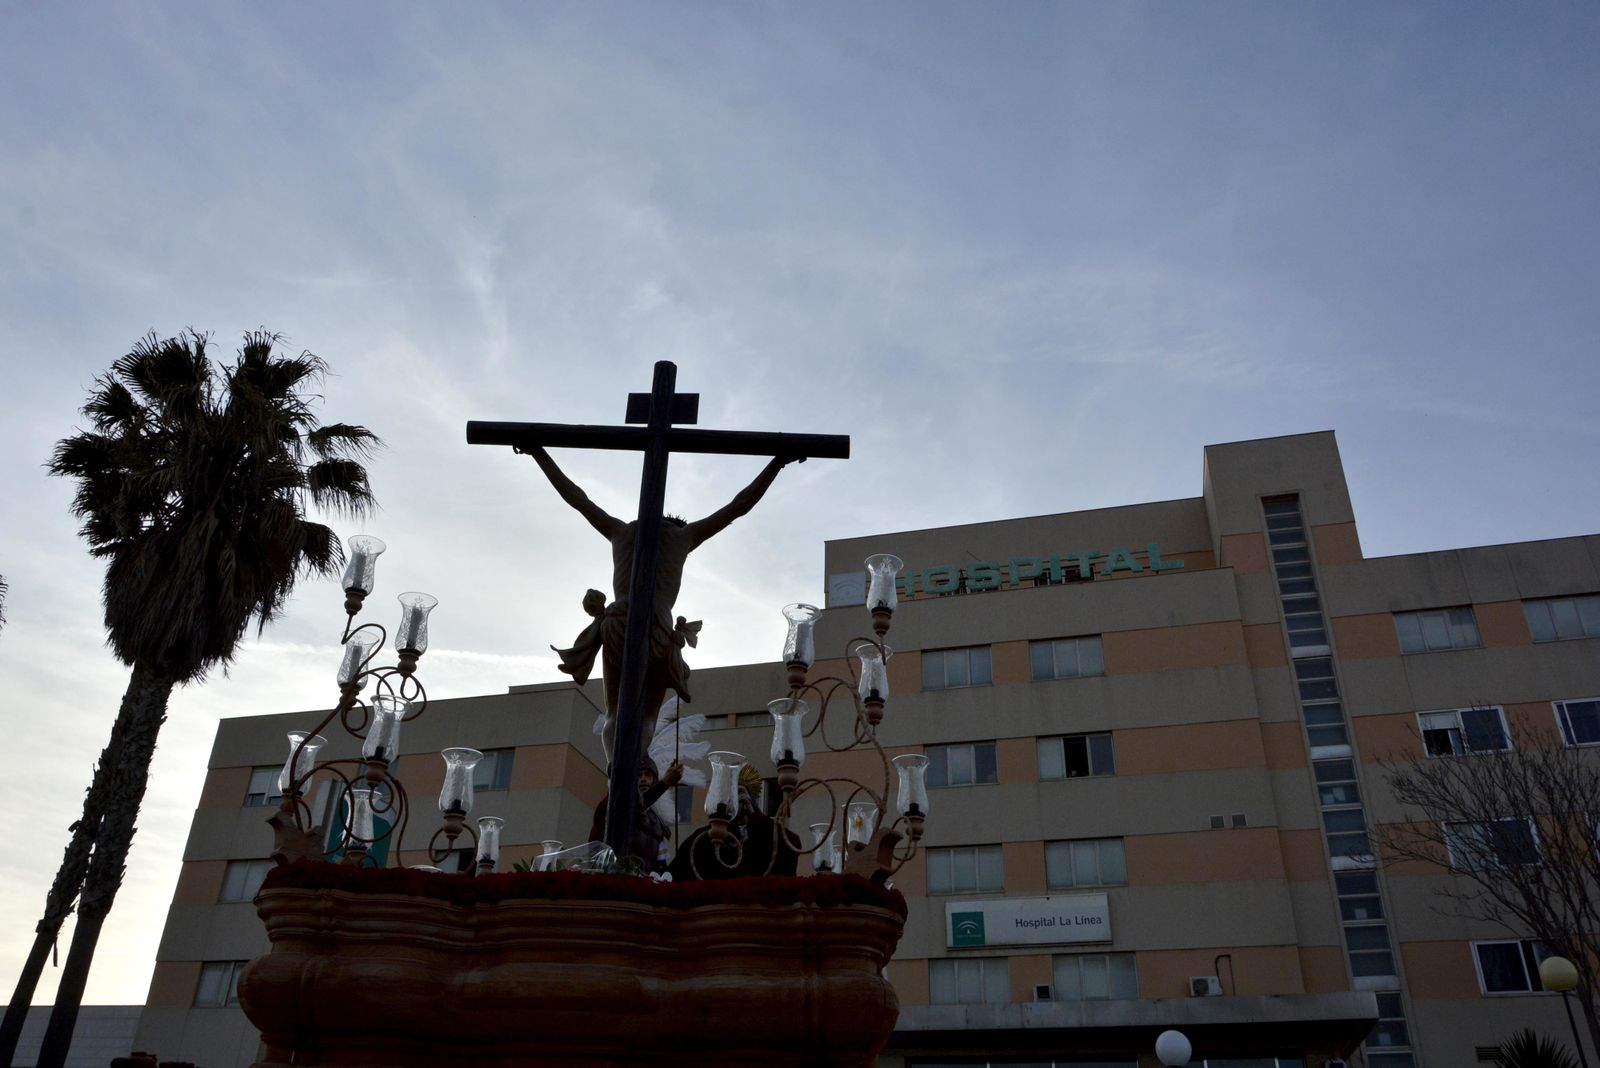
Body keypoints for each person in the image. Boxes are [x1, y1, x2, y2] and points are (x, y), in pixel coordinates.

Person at [522, 444, 795, 765]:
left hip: (617, 624)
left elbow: (576, 498)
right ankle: (633, 768)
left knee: (615, 712)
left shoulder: (621, 531)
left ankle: (616, 772)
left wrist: (538, 453)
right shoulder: (683, 537)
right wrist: (777, 463)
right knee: (646, 715)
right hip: (658, 630)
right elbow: (739, 506)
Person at [669, 767, 801, 881]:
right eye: (731, 795)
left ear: (750, 799)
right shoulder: (707, 835)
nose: (737, 799)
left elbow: (790, 845)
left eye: (741, 792)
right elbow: (682, 865)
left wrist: (756, 817)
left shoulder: (764, 828)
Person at [588, 756, 684, 875]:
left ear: (654, 780)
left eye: (648, 774)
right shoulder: (610, 805)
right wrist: (664, 784)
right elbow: (629, 809)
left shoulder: (657, 823)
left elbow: (661, 866)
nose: (643, 779)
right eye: (638, 775)